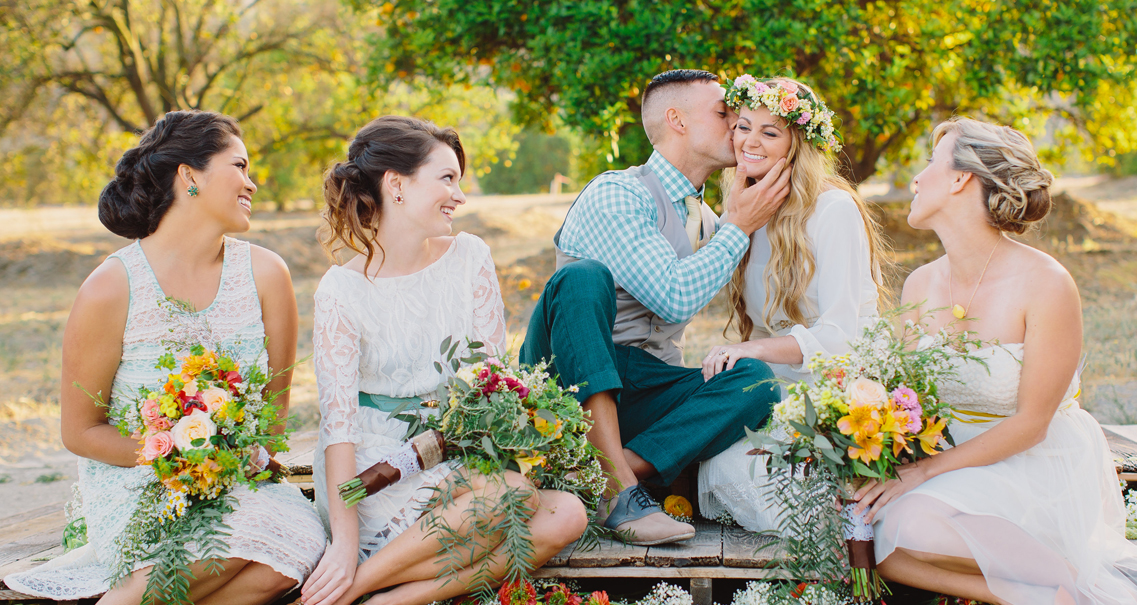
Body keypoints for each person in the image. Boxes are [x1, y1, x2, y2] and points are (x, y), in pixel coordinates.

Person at [3, 110, 327, 603]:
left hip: (238, 481)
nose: (252, 183)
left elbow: (273, 421)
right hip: (141, 487)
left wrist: (226, 461)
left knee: (298, 547)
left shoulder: (267, 274)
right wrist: (180, 456)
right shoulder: (110, 288)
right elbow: (80, 431)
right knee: (259, 540)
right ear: (190, 175)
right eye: (238, 166)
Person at [301, 116, 587, 605]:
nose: (459, 195)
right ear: (396, 186)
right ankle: (362, 568)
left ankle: (372, 592)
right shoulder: (341, 290)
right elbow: (339, 428)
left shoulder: (470, 256)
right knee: (511, 496)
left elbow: (492, 379)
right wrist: (344, 544)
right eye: (447, 178)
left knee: (568, 516)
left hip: (454, 451)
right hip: (373, 468)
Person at [855, 117, 1137, 604]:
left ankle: (1074, 576)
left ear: (962, 178)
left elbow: (1032, 424)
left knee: (909, 528)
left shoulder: (1046, 283)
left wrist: (923, 473)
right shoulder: (921, 284)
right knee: (881, 541)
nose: (917, 179)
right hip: (953, 463)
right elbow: (896, 395)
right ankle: (1043, 596)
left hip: (1035, 463)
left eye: (929, 163)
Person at [520, 69, 791, 546]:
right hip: (567, 375)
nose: (737, 127)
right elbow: (673, 295)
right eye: (725, 114)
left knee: (755, 380)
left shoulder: (709, 219)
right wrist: (739, 228)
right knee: (584, 277)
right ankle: (621, 489)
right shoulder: (617, 192)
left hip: (643, 385)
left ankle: (606, 476)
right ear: (677, 120)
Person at [695, 76, 890, 532]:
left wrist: (750, 351)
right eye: (744, 126)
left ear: (797, 143)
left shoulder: (834, 209)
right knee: (712, 455)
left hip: (835, 383)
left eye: (770, 131)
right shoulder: (743, 207)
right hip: (774, 381)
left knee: (748, 473)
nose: (751, 141)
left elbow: (843, 335)